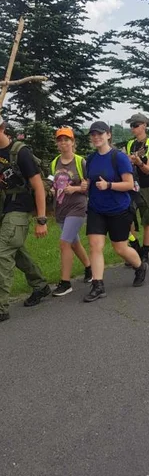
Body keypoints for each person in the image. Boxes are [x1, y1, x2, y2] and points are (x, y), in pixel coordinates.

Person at [83, 121, 147, 302]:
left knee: (120, 248)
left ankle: (140, 266)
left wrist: (108, 185)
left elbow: (128, 184)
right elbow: (91, 182)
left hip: (118, 209)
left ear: (108, 135)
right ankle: (98, 285)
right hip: (96, 209)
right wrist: (85, 185)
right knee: (95, 246)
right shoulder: (91, 159)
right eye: (93, 134)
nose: (96, 137)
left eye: (100, 134)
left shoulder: (118, 157)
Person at [0, 115, 50, 322]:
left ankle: (1, 307)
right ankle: (40, 285)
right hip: (3, 207)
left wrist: (41, 219)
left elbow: (38, 187)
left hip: (20, 208)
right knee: (16, 249)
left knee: (2, 253)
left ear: (2, 128)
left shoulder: (21, 152)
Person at [50, 127, 92, 296]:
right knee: (74, 243)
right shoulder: (54, 162)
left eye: (66, 139)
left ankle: (65, 282)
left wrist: (76, 188)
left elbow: (90, 185)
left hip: (77, 207)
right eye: (60, 140)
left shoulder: (81, 162)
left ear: (73, 142)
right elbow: (52, 182)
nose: (63, 143)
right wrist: (52, 190)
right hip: (60, 208)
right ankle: (89, 268)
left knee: (64, 242)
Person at [125, 113, 149, 265]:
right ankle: (134, 250)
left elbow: (148, 169)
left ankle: (145, 253)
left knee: (147, 220)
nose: (133, 128)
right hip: (131, 185)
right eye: (131, 125)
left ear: (144, 125)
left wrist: (138, 162)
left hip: (146, 185)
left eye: (136, 125)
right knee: (128, 219)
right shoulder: (130, 144)